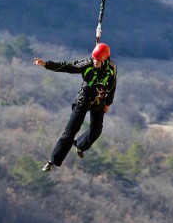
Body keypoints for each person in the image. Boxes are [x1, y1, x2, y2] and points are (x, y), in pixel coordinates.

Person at [33, 42, 117, 172]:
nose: (95, 62)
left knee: (96, 130)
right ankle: (53, 162)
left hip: (99, 101)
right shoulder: (87, 64)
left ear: (105, 59)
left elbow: (112, 84)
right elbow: (67, 66)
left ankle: (80, 145)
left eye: (98, 60)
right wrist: (46, 64)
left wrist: (107, 103)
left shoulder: (111, 68)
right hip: (83, 101)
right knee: (69, 133)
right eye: (94, 59)